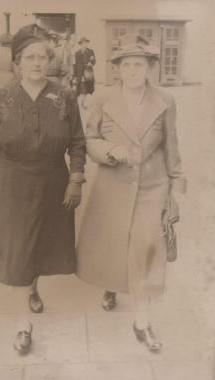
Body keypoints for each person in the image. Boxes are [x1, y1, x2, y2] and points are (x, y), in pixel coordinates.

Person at [0, 24, 86, 355]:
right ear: (17, 63)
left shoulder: (66, 97)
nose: (37, 63)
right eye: (30, 57)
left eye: (42, 57)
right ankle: (22, 326)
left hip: (54, 181)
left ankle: (32, 287)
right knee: (16, 250)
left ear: (49, 62)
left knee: (38, 244)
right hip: (12, 184)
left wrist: (76, 178)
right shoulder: (1, 97)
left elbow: (78, 142)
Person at [77, 37, 187, 353]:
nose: (132, 70)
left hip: (152, 187)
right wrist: (110, 150)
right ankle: (112, 285)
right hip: (112, 183)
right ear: (117, 70)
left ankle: (142, 321)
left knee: (146, 248)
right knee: (115, 242)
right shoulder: (103, 97)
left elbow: (171, 146)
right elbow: (89, 137)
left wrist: (175, 189)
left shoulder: (165, 100)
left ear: (150, 67)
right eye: (126, 64)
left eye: (139, 64)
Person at [73, 37, 96, 108]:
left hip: (88, 72)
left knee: (88, 88)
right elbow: (75, 64)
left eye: (86, 43)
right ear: (81, 44)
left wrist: (91, 63)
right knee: (83, 88)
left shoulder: (90, 51)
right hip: (80, 73)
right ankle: (83, 103)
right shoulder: (77, 53)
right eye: (83, 43)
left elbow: (94, 60)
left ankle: (86, 102)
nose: (85, 44)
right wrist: (75, 74)